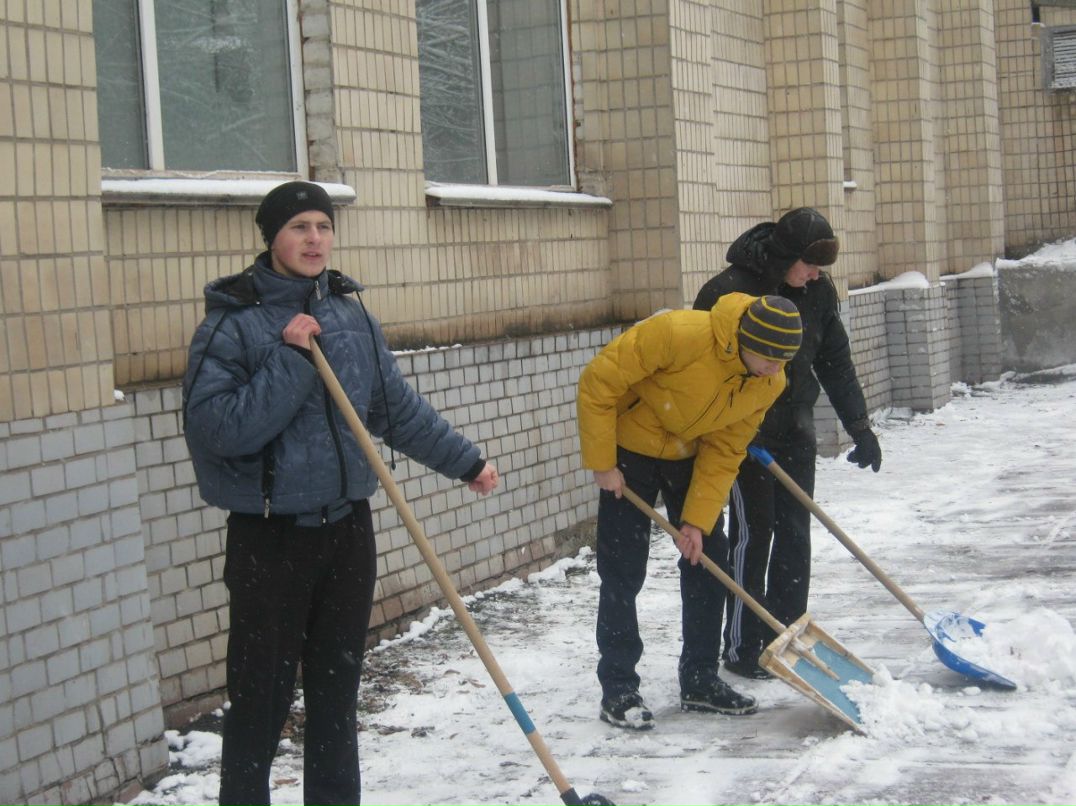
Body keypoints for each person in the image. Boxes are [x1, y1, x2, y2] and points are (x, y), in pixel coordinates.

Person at [182, 181, 499, 806]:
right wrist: (292, 359)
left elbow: (394, 409)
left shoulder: (350, 314)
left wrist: (464, 462)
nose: (314, 240)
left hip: (347, 529)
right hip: (270, 539)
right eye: (299, 227)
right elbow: (219, 432)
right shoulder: (233, 325)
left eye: (322, 227)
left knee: (336, 697)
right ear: (272, 236)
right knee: (260, 701)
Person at [577, 292, 803, 730]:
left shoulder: (768, 382)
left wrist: (697, 520)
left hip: (689, 456)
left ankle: (699, 678)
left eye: (784, 360)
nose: (777, 369)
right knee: (623, 569)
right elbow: (598, 382)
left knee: (706, 558)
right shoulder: (678, 334)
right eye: (771, 357)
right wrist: (603, 462)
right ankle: (618, 686)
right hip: (629, 450)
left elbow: (725, 448)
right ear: (746, 340)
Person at [692, 207, 881, 681]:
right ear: (788, 255)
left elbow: (835, 361)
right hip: (742, 435)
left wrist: (859, 426)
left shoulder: (816, 292)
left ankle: (785, 631)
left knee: (796, 532)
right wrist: (724, 431)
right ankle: (742, 643)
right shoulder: (730, 290)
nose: (817, 275)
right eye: (811, 264)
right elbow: (702, 369)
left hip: (795, 428)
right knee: (754, 534)